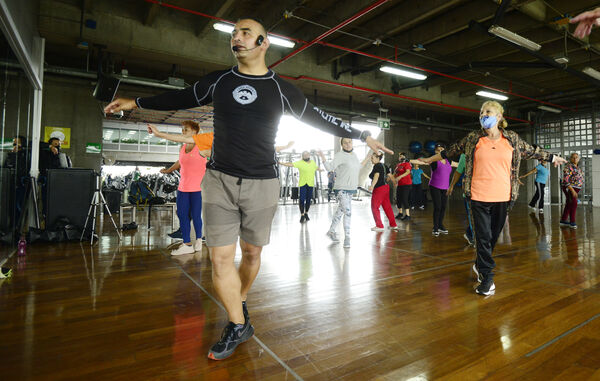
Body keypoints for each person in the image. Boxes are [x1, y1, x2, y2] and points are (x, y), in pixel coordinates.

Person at [104, 17, 391, 361]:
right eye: (233, 34)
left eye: (245, 33)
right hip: (219, 181)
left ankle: (238, 304)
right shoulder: (218, 81)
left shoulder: (282, 89)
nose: (236, 38)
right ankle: (238, 323)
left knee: (252, 254)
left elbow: (318, 117)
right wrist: (135, 102)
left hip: (262, 183)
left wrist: (362, 134)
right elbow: (178, 97)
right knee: (219, 257)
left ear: (263, 43)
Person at [420, 100, 565, 296]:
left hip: (503, 197)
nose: (482, 115)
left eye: (487, 112)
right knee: (482, 237)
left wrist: (551, 157)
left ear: (499, 116)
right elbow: (450, 151)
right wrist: (429, 159)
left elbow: (531, 150)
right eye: (481, 112)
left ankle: (480, 263)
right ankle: (487, 278)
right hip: (478, 196)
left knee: (492, 237)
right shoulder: (473, 138)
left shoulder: (511, 138)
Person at [159, 121, 208, 255]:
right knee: (182, 214)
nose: (183, 132)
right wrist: (169, 170)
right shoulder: (183, 147)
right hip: (183, 188)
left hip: (197, 189)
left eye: (186, 130)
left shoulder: (202, 147)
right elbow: (180, 162)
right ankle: (186, 243)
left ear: (195, 132)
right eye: (182, 130)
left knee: (196, 215)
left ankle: (199, 239)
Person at [318, 138, 371, 248]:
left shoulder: (354, 155)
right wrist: (323, 158)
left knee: (340, 211)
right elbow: (329, 167)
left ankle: (331, 231)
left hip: (351, 188)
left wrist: (367, 157)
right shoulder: (340, 155)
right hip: (341, 188)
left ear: (352, 143)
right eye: (345, 143)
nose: (348, 144)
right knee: (348, 212)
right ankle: (347, 237)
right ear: (342, 144)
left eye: (350, 142)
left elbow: (358, 167)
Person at [415, 144, 457, 236]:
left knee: (443, 207)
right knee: (438, 207)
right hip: (435, 186)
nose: (441, 151)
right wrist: (410, 160)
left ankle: (441, 225)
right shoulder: (433, 161)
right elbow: (423, 162)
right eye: (438, 150)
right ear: (435, 152)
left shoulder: (448, 160)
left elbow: (458, 165)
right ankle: (435, 227)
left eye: (442, 149)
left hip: (445, 187)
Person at [280, 151, 319, 223]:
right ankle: (302, 215)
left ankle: (306, 213)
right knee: (301, 199)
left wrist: (320, 169)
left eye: (307, 154)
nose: (306, 156)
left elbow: (315, 167)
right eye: (304, 155)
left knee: (308, 200)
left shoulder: (313, 162)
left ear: (309, 155)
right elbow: (291, 164)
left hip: (310, 184)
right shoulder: (300, 163)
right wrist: (282, 163)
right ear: (302, 156)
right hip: (303, 184)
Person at [447, 153, 474, 245]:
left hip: (485, 193)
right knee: (472, 218)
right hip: (469, 193)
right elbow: (458, 171)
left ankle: (470, 233)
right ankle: (472, 237)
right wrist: (451, 186)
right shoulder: (465, 156)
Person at [368, 152, 398, 231]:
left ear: (378, 158)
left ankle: (379, 225)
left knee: (374, 207)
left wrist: (372, 186)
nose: (371, 159)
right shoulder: (384, 165)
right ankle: (393, 225)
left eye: (372, 158)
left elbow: (376, 176)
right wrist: (394, 182)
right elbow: (390, 175)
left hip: (379, 189)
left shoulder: (377, 166)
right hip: (386, 187)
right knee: (387, 207)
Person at [560, 153, 584, 229]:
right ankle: (572, 222)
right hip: (570, 188)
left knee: (569, 204)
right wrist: (572, 191)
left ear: (579, 158)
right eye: (573, 157)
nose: (575, 159)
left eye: (576, 157)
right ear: (570, 158)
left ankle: (563, 220)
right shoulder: (568, 167)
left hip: (576, 188)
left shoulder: (578, 168)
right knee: (574, 204)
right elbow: (566, 180)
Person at [392, 152, 412, 220]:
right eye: (399, 156)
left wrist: (400, 176)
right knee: (398, 199)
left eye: (401, 156)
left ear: (404, 157)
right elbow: (395, 173)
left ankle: (408, 215)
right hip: (400, 184)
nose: (400, 157)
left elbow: (408, 172)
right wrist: (394, 180)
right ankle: (400, 213)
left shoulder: (407, 164)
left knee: (404, 199)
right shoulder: (398, 165)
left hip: (406, 184)